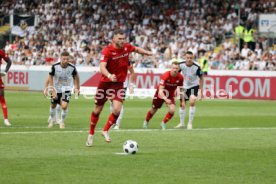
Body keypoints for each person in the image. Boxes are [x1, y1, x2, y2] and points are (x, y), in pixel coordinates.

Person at [86, 29, 153, 147]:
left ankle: (105, 130)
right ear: (114, 39)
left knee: (117, 110)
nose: (122, 41)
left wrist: (146, 52)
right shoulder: (107, 51)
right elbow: (102, 66)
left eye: (123, 38)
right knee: (97, 110)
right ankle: (91, 134)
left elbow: (136, 49)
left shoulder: (127, 47)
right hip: (105, 84)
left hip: (118, 84)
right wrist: (109, 75)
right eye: (120, 39)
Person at [143, 62, 184, 130]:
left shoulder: (180, 77)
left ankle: (163, 123)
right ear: (171, 68)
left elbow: (181, 89)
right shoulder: (165, 75)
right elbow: (160, 91)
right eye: (173, 68)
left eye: (176, 68)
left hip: (170, 95)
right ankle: (146, 121)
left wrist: (182, 101)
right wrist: (165, 99)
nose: (175, 70)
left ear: (179, 69)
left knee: (172, 110)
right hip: (160, 94)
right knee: (154, 109)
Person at [43, 51, 80, 129]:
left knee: (64, 106)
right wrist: (50, 89)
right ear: (60, 58)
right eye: (64, 59)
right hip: (56, 88)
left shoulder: (72, 67)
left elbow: (76, 77)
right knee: (53, 105)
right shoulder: (55, 66)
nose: (66, 61)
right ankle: (52, 119)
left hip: (67, 89)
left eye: (67, 59)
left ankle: (62, 121)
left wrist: (77, 88)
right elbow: (49, 77)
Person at [174, 51, 203, 130]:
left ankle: (190, 123)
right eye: (188, 58)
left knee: (192, 101)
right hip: (184, 86)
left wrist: (200, 91)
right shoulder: (181, 65)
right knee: (181, 104)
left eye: (191, 58)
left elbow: (201, 78)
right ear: (185, 58)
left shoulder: (197, 67)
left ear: (193, 58)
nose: (189, 59)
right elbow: (176, 74)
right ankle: (182, 123)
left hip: (194, 86)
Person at [110, 64, 135, 130]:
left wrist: (131, 85)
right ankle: (112, 122)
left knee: (119, 104)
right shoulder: (111, 56)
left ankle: (117, 124)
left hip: (122, 85)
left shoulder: (126, 59)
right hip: (112, 83)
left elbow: (132, 72)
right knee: (111, 103)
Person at [0, 49, 12, 126]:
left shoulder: (0, 52)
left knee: (2, 98)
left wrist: (5, 71)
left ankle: (6, 119)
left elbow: (9, 61)